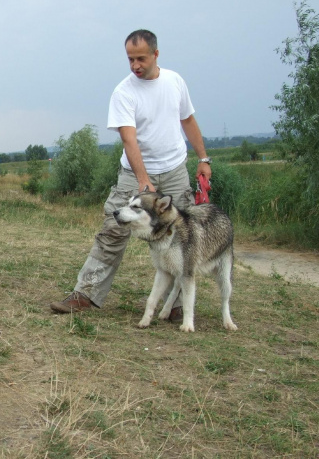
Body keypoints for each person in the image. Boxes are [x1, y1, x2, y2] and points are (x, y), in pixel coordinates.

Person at [50, 29, 211, 317]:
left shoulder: (175, 82)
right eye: (130, 59)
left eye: (141, 58)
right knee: (113, 230)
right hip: (134, 174)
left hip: (174, 171)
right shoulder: (124, 92)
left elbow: (187, 119)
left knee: (181, 237)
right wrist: (143, 181)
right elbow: (129, 139)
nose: (135, 65)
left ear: (156, 55)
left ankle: (176, 306)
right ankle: (85, 293)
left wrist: (203, 157)